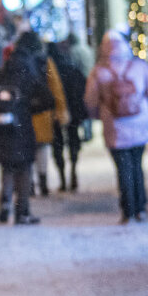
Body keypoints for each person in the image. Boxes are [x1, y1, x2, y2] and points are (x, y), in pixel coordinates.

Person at [84, 31, 148, 224]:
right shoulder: (139, 67)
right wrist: (144, 109)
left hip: (114, 127)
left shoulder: (99, 71)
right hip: (139, 123)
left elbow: (90, 100)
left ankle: (127, 210)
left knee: (123, 168)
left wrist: (101, 115)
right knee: (137, 165)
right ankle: (141, 207)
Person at [0, 45, 45, 225]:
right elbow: (47, 99)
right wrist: (29, 108)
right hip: (23, 130)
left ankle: (5, 203)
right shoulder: (29, 76)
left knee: (7, 169)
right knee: (24, 171)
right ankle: (22, 211)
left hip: (2, 130)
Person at [11, 31, 68, 196]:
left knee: (26, 150)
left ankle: (28, 185)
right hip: (42, 112)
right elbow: (55, 86)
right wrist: (60, 110)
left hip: (22, 112)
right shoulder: (45, 61)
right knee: (42, 148)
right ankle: (43, 182)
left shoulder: (16, 62)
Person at [46, 39, 88, 191]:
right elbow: (82, 88)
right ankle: (73, 171)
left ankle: (63, 177)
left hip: (55, 113)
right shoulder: (71, 68)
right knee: (73, 140)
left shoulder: (49, 72)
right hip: (73, 112)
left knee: (57, 144)